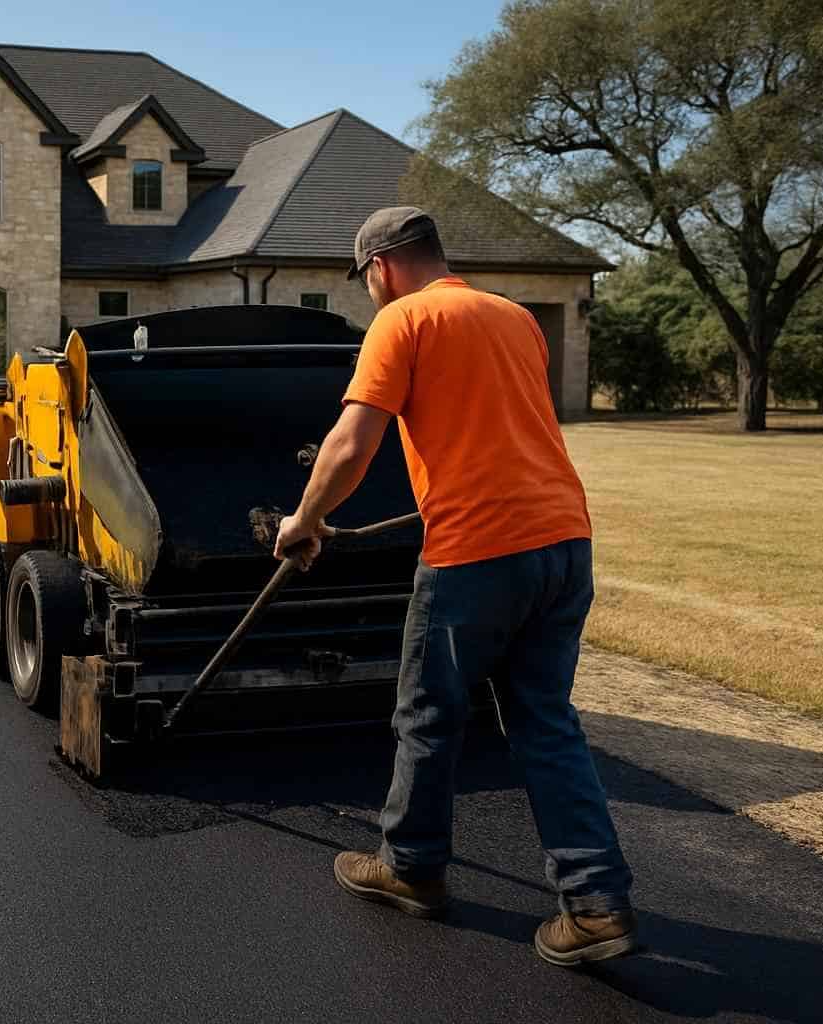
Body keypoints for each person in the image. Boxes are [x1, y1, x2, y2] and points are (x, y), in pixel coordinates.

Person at [273, 207, 637, 966]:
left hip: (479, 553)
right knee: (544, 720)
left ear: (380, 268)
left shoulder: (402, 321)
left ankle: (411, 870)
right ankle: (596, 905)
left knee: (428, 714)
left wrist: (304, 519)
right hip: (564, 542)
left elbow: (351, 440)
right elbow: (497, 427)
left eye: (367, 280)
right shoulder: (514, 318)